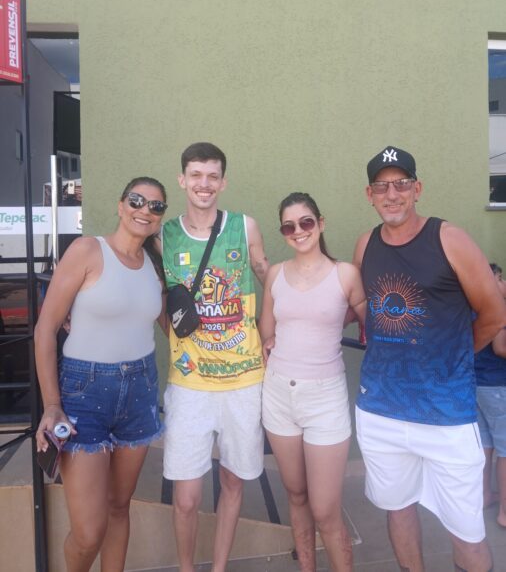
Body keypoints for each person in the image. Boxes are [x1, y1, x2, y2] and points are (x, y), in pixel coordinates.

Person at [353, 145, 506, 572]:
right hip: (381, 410)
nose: (392, 194)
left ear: (417, 188)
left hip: (446, 414)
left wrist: (452, 356)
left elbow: (495, 315)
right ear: (369, 194)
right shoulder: (366, 245)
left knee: (467, 530)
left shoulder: (449, 239)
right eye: (382, 186)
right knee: (398, 508)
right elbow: (365, 307)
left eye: (401, 184)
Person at [35, 177, 168, 572]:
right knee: (88, 532)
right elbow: (45, 329)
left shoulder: (155, 265)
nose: (145, 210)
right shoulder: (88, 250)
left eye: (156, 206)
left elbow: (174, 328)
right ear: (120, 204)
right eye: (137, 200)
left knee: (118, 506)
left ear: (161, 218)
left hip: (140, 389)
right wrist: (51, 405)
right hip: (84, 392)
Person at [161, 142, 269, 572]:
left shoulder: (245, 227)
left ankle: (219, 567)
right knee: (186, 498)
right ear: (182, 180)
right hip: (189, 385)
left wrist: (271, 335)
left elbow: (270, 281)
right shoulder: (164, 236)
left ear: (223, 182)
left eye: (212, 176)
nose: (203, 184)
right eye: (196, 175)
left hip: (243, 380)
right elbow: (158, 300)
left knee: (232, 481)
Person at [259, 192, 366, 572]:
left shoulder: (345, 274)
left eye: (306, 222)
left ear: (320, 223)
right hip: (278, 393)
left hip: (325, 398)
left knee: (325, 509)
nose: (299, 231)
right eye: (289, 226)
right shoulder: (275, 274)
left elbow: (371, 323)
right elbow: (266, 331)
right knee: (296, 494)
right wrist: (268, 342)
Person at [475, 263, 506, 527]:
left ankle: (484, 495)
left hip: (476, 385)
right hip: (498, 386)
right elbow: (500, 348)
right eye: (500, 278)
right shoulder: (498, 307)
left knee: (485, 444)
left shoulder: (472, 307)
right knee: (505, 450)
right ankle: (505, 512)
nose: (504, 283)